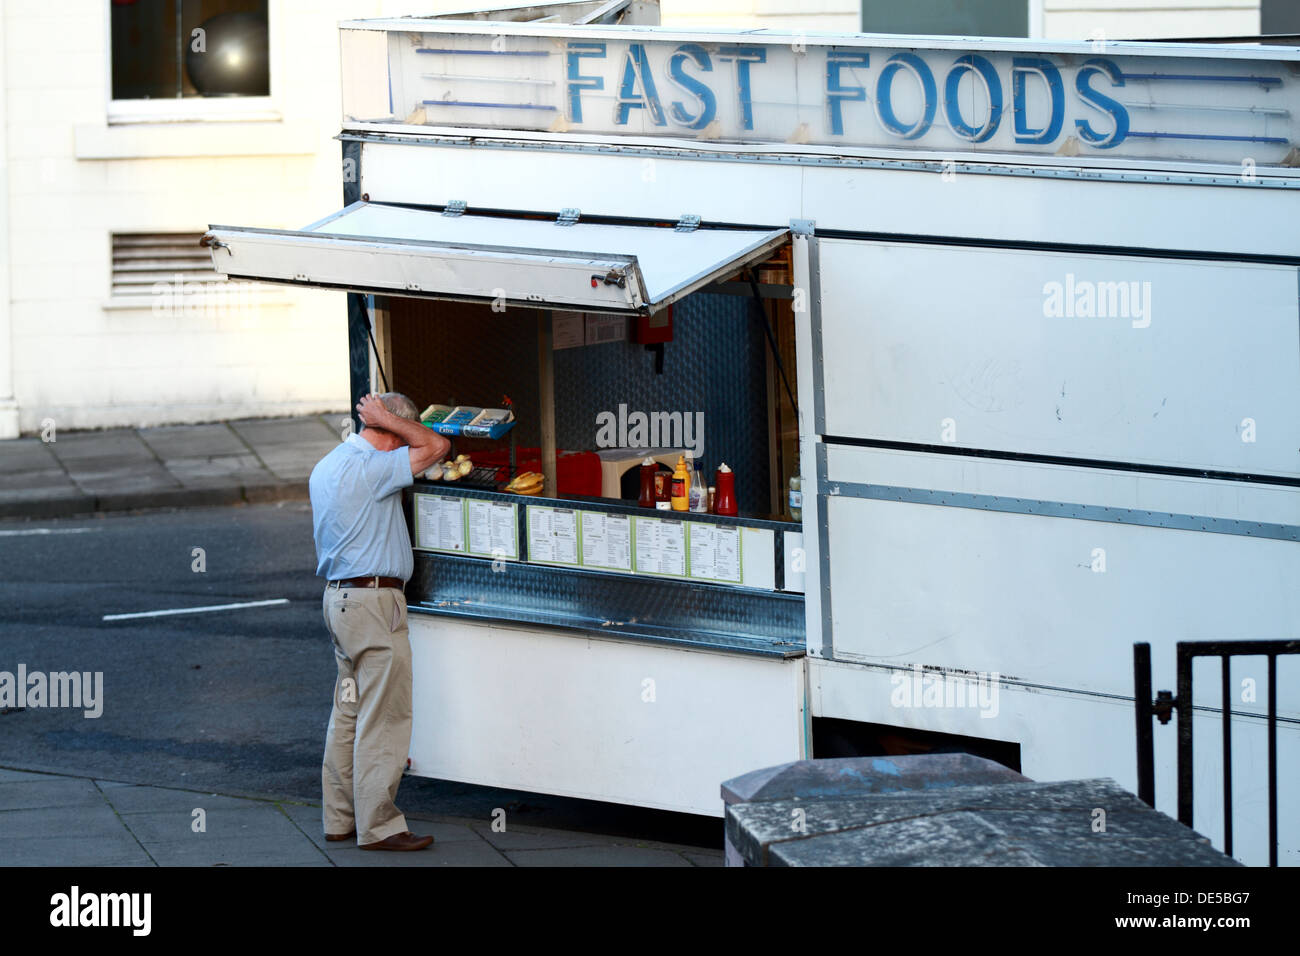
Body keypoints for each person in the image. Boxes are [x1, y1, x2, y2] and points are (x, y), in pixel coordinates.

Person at [308, 391, 448, 851]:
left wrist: (385, 421)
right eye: (399, 437)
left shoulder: (329, 464)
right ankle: (380, 826)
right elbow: (437, 447)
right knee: (383, 717)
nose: (407, 452)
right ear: (391, 433)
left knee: (347, 714)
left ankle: (339, 819)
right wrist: (390, 419)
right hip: (373, 605)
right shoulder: (373, 469)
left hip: (338, 603)